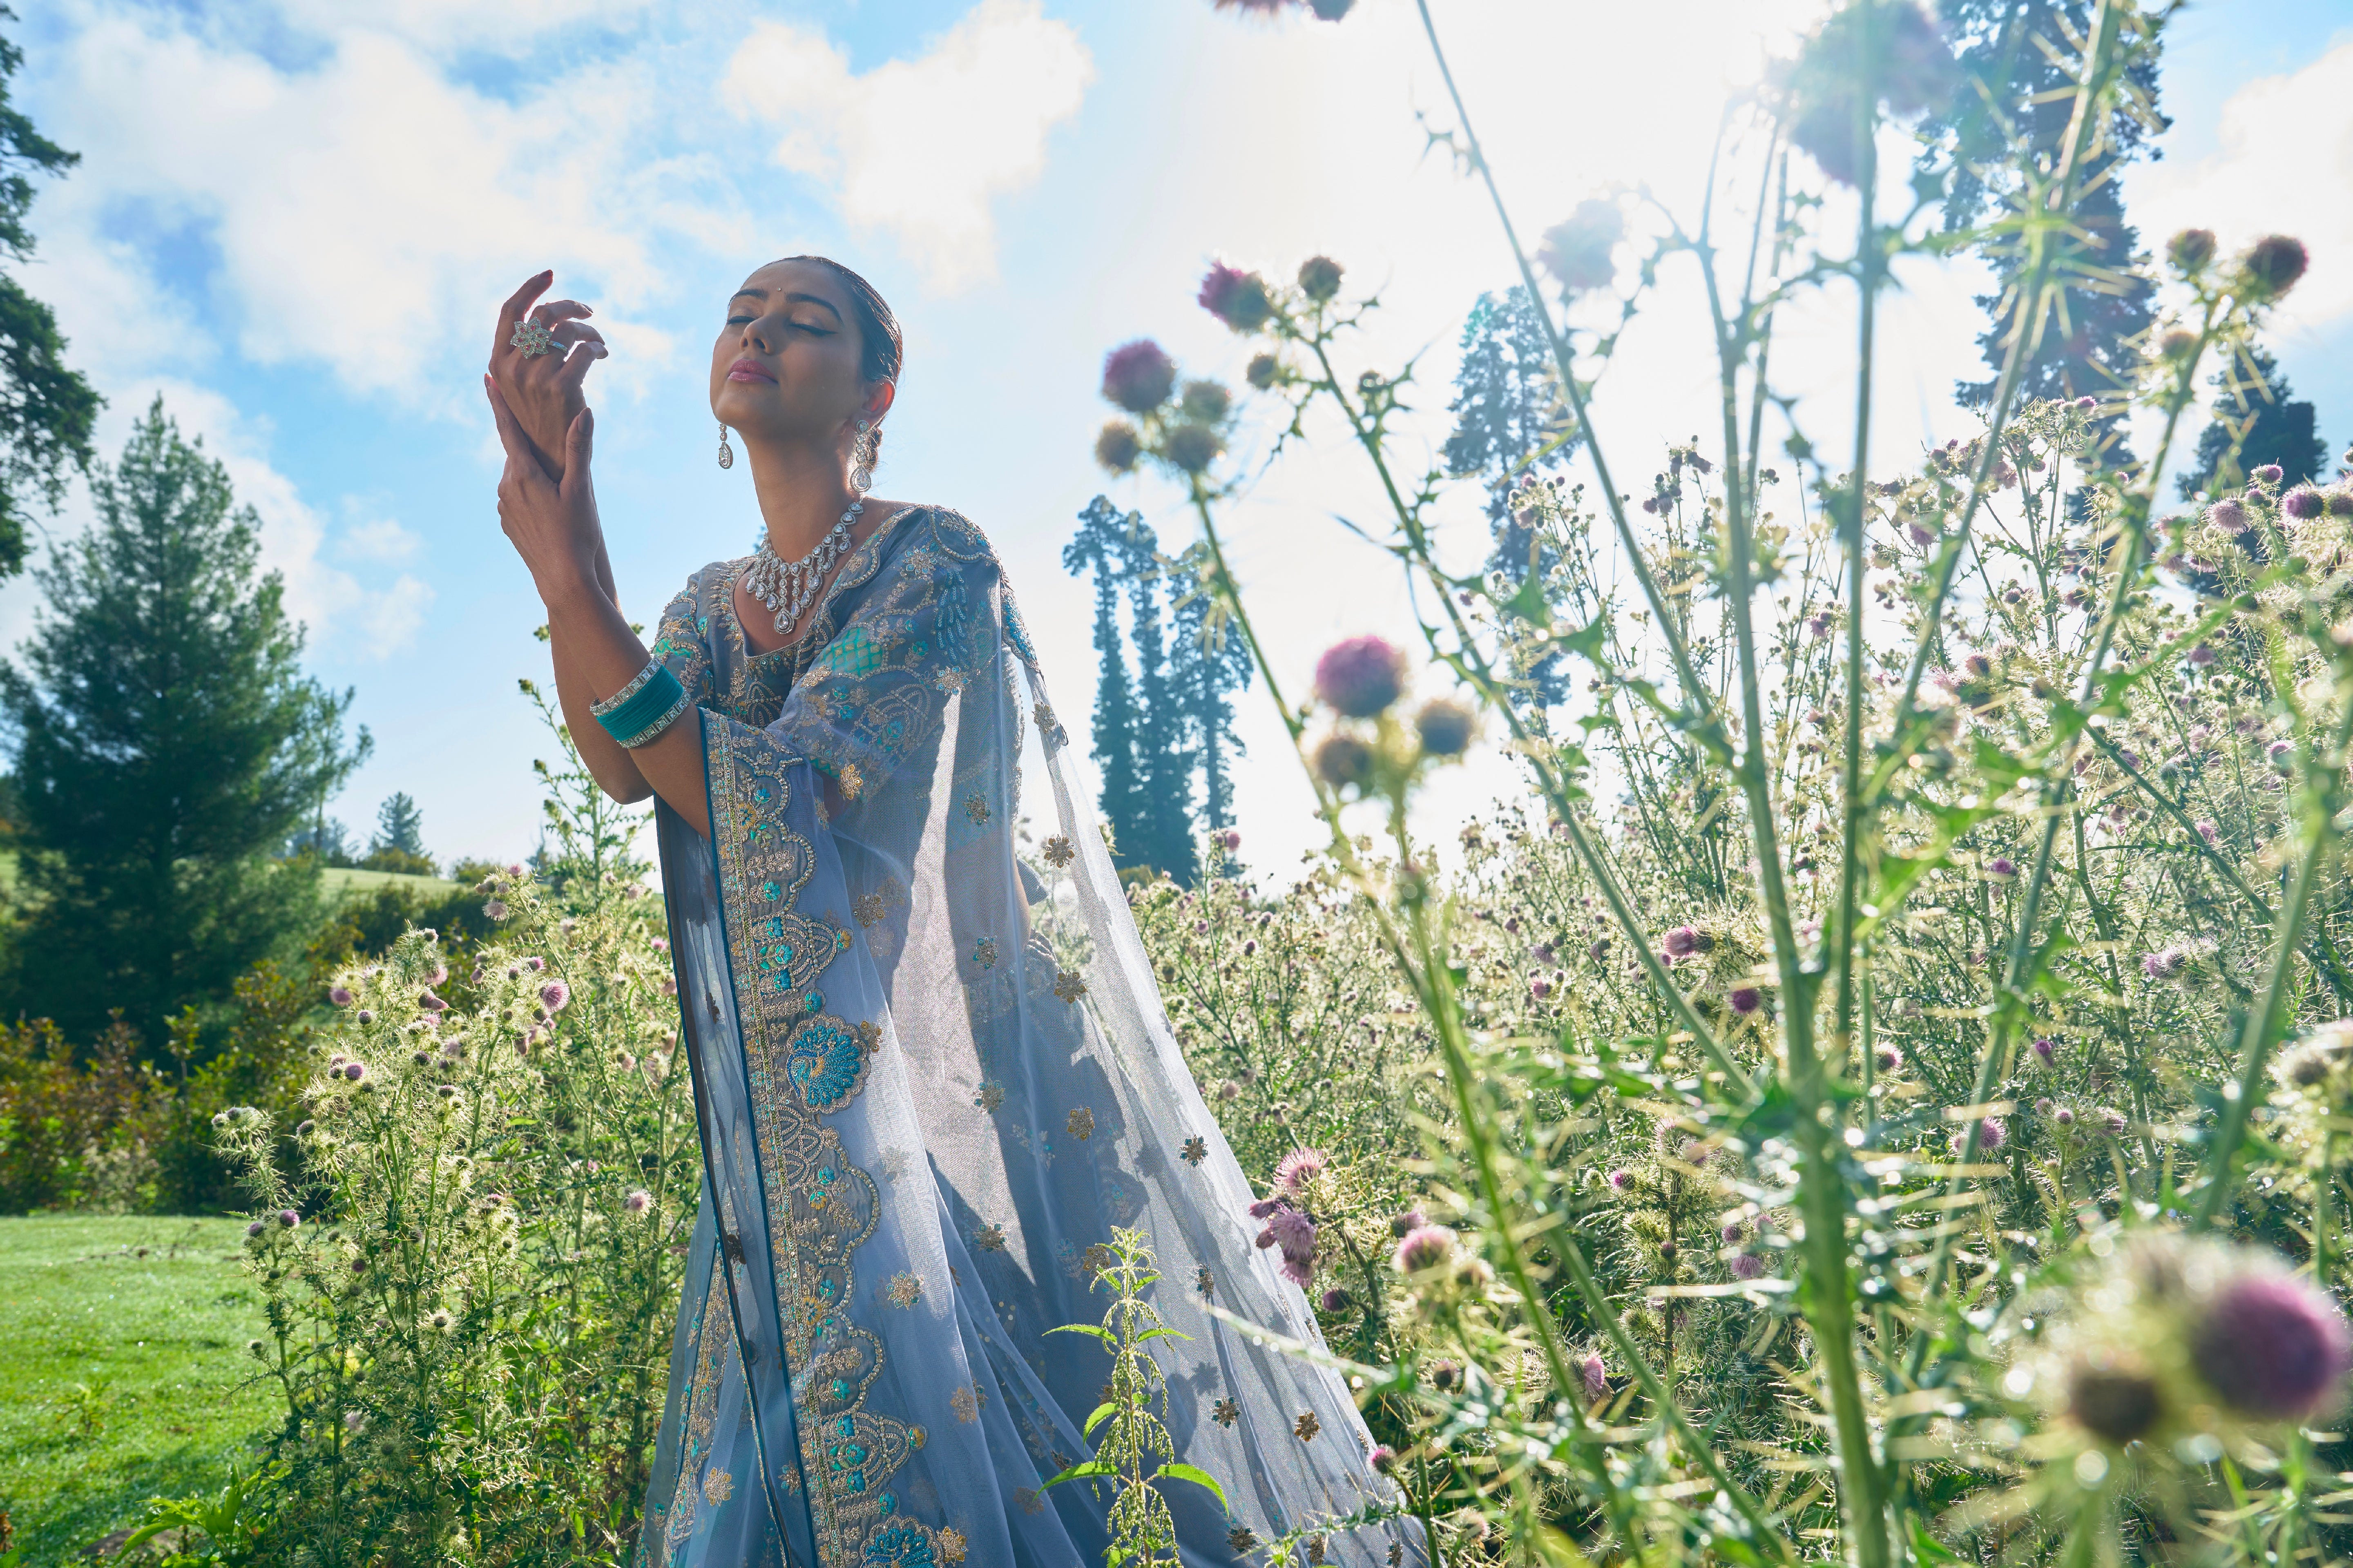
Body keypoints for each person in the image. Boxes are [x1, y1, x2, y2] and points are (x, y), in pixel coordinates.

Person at [484, 259, 1415, 1568]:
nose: (758, 332)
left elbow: (786, 795)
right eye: (741, 315)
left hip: (918, 1100)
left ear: (879, 387)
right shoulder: (705, 606)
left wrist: (571, 579)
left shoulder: (934, 561)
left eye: (804, 323)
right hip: (777, 1114)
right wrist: (561, 527)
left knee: (970, 1437)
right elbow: (624, 763)